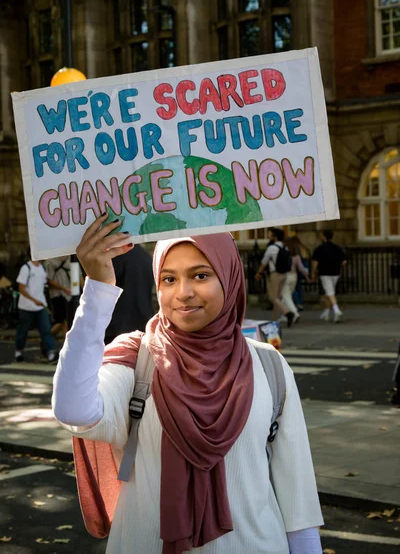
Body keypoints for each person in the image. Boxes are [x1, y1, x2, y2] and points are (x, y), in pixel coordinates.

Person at [52, 214, 324, 554]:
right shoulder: (135, 358)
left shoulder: (268, 364)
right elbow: (73, 410)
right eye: (168, 278)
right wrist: (98, 290)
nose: (183, 293)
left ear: (229, 277)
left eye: (200, 275)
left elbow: (295, 490)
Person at [15, 254, 70, 362]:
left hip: (40, 307)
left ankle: (50, 353)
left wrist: (62, 288)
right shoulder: (26, 268)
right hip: (26, 307)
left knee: (46, 330)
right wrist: (34, 300)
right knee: (23, 331)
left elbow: (47, 282)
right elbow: (21, 288)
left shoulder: (42, 268)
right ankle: (18, 351)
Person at [104, 245, 154, 345]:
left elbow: (105, 287)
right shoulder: (146, 256)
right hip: (143, 323)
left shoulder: (116, 256)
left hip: (117, 326)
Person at [255, 227, 295, 327]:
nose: (268, 234)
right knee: (277, 297)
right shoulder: (285, 247)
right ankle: (274, 320)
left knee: (273, 298)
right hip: (284, 274)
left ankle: (288, 313)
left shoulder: (272, 248)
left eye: (270, 233)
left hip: (275, 275)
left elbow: (264, 262)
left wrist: (259, 273)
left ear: (274, 236)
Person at [311, 230, 347, 323]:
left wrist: (313, 273)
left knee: (330, 293)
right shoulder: (337, 248)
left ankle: (336, 310)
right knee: (329, 293)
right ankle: (326, 312)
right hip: (335, 273)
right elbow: (343, 262)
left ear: (323, 237)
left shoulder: (320, 248)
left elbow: (315, 262)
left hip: (324, 273)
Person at [281, 237, 311, 324]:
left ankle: (294, 313)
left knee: (286, 296)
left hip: (286, 276)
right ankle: (285, 315)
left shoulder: (285, 254)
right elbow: (301, 267)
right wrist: (307, 277)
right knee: (287, 296)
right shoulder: (296, 256)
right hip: (294, 276)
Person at [45, 255, 72, 339]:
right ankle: (65, 346)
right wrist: (63, 288)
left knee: (63, 321)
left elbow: (78, 275)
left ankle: (46, 339)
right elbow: (48, 280)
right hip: (57, 294)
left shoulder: (70, 258)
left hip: (69, 295)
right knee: (64, 321)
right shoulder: (50, 261)